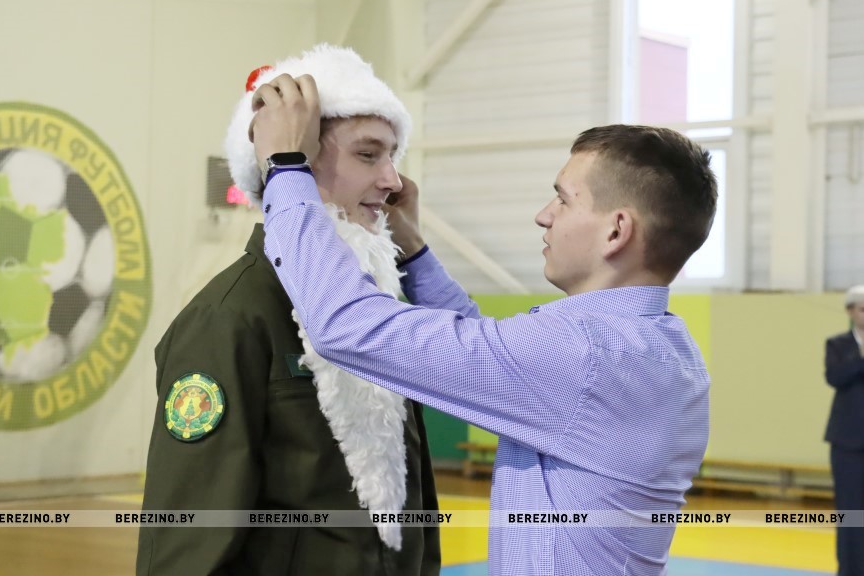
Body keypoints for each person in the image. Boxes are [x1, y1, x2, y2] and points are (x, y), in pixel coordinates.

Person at [247, 74, 717, 574]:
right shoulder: (662, 348)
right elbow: (482, 347)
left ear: (616, 230)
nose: (544, 216)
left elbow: (348, 325)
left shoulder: (586, 356)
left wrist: (286, 167)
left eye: (563, 199)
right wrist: (412, 247)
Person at [136, 45, 440, 576]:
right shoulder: (229, 319)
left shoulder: (382, 305)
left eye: (393, 156)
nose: (393, 181)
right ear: (294, 160)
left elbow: (412, 503)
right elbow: (189, 544)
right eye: (368, 155)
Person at [824, 285, 864, 576]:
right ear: (851, 312)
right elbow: (835, 377)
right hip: (848, 443)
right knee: (851, 512)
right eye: (863, 309)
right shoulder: (838, 344)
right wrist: (861, 358)